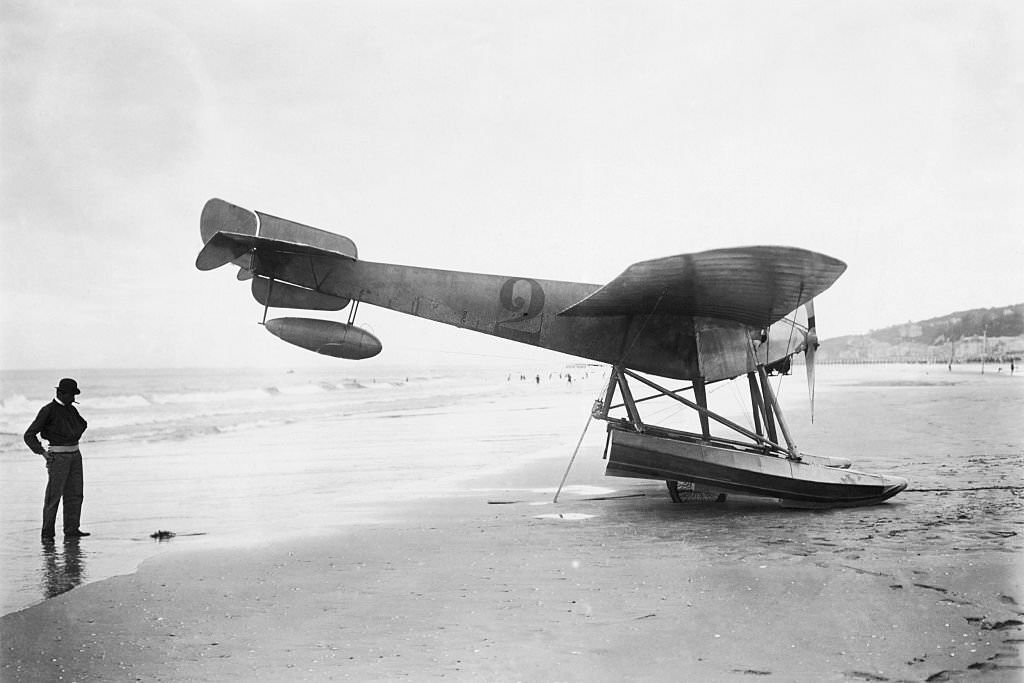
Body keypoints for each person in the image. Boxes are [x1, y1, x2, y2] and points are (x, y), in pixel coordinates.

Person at [24, 378, 90, 540]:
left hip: (76, 456)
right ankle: (47, 534)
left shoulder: (71, 409)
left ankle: (72, 530)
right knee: (53, 497)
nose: (74, 398)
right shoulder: (48, 410)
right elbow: (29, 435)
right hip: (58, 457)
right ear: (60, 393)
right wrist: (43, 453)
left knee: (75, 494)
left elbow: (83, 424)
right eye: (71, 395)